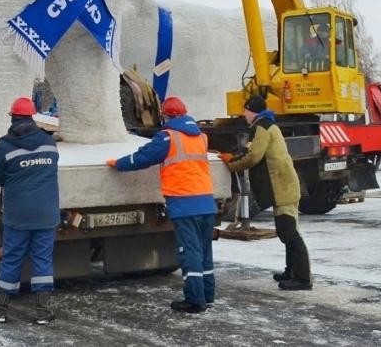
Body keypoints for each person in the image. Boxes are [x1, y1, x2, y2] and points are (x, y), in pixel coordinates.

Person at [106, 96, 216, 314]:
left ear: (166, 115)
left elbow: (143, 158)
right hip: (206, 201)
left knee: (190, 252)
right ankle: (207, 294)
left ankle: (195, 300)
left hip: (184, 203)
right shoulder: (201, 137)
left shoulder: (168, 137)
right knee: (204, 252)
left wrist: (118, 164)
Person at [221, 95, 312, 290]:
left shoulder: (261, 127)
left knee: (289, 232)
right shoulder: (269, 125)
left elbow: (254, 157)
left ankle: (303, 279)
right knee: (286, 231)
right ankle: (291, 271)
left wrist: (231, 164)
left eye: (245, 110)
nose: (244, 114)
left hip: (283, 187)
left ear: (251, 111)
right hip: (285, 184)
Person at [0, 97, 60, 325]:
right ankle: (43, 313)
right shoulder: (50, 143)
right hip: (46, 214)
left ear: (13, 117)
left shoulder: (5, 146)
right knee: (42, 261)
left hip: (18, 215)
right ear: (32, 116)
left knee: (11, 259)